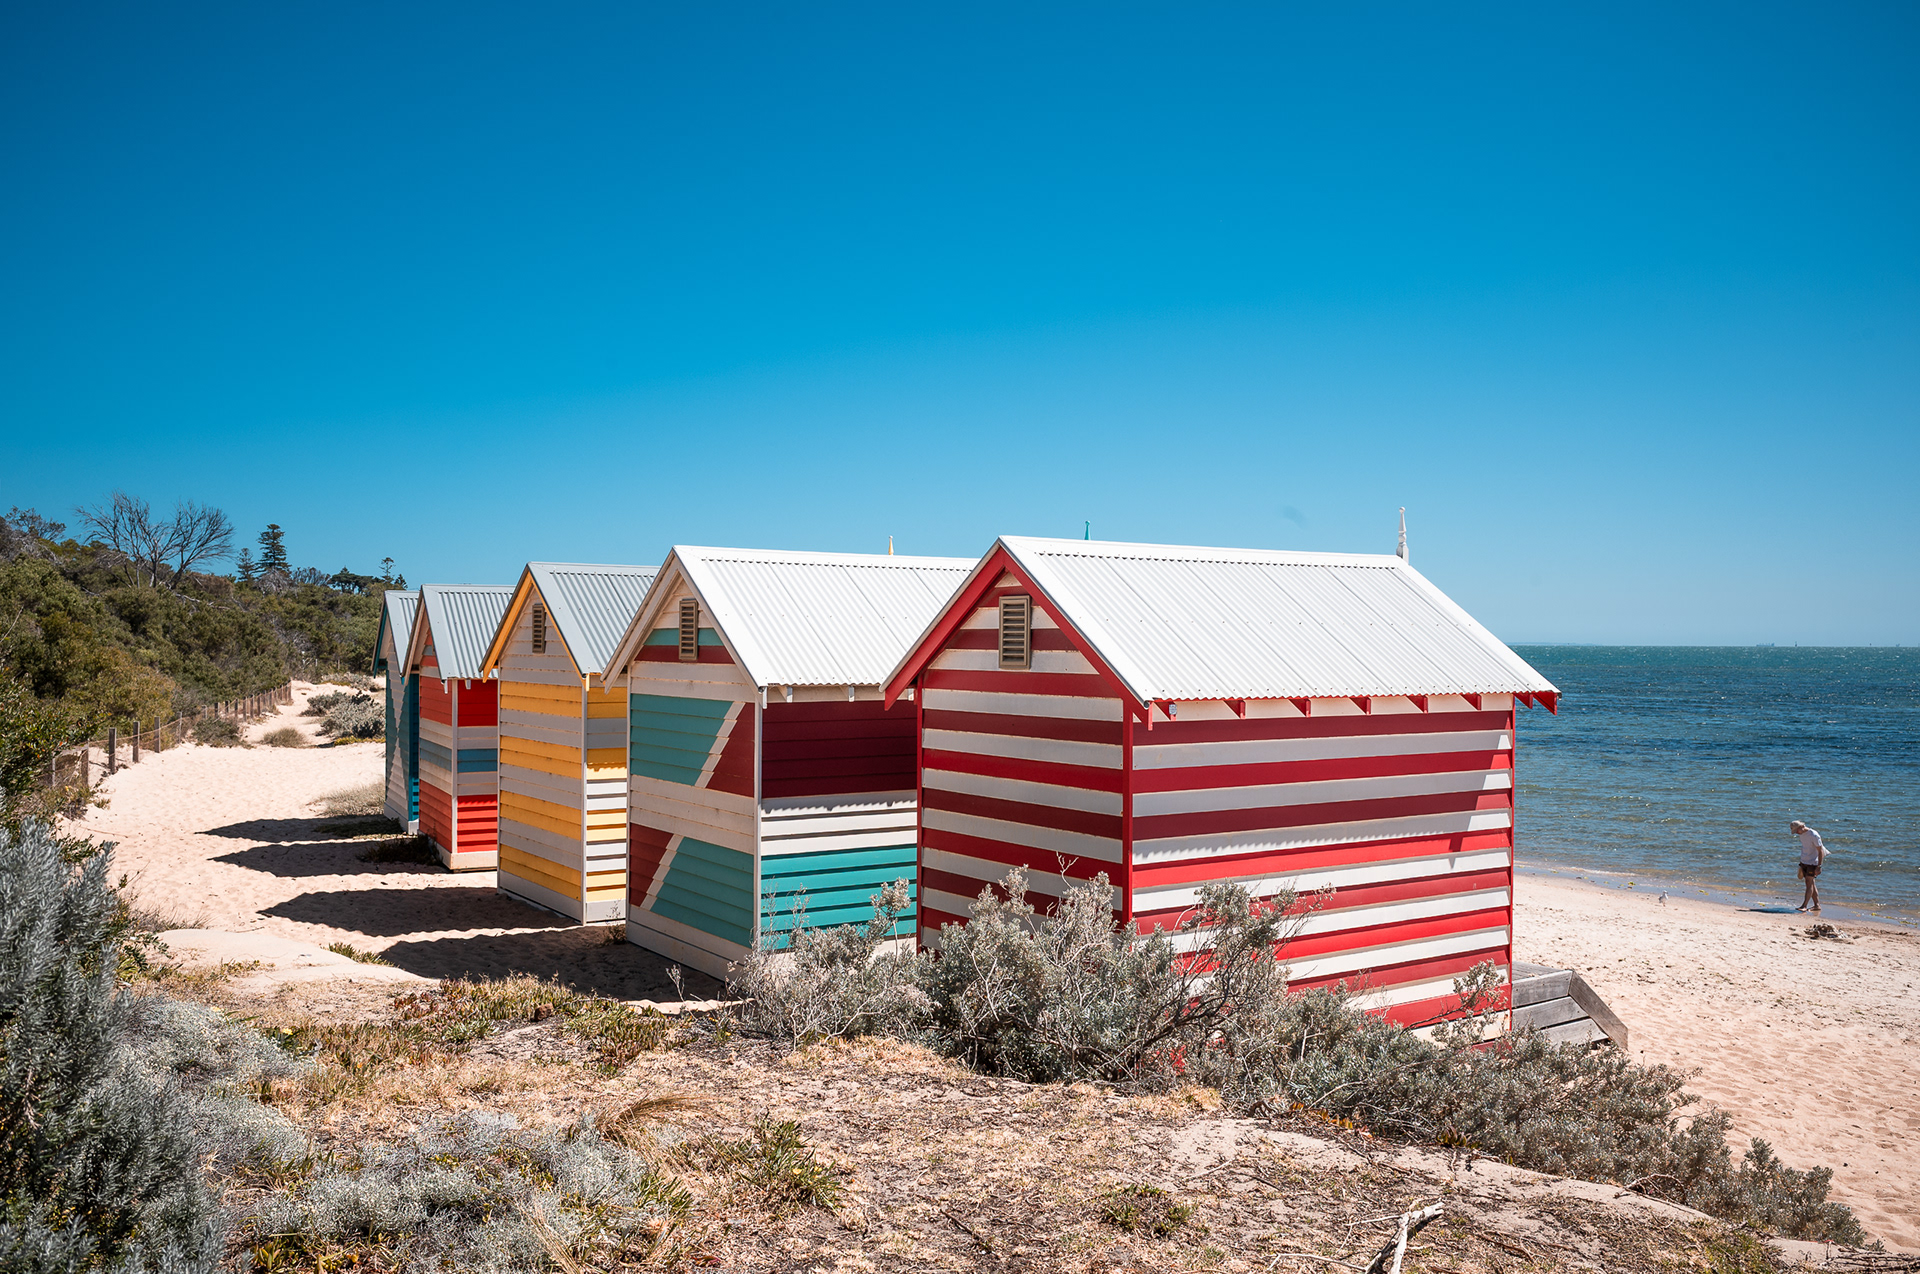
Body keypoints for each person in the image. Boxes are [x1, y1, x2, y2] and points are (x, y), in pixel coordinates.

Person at [1790, 820, 1831, 913]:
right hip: (1804, 861)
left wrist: (1819, 866)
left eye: (1796, 831)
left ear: (1801, 827)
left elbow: (1820, 850)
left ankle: (1804, 905)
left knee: (1809, 883)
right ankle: (1817, 905)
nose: (1796, 833)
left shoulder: (1814, 835)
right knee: (1811, 883)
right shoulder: (1802, 834)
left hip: (1813, 862)